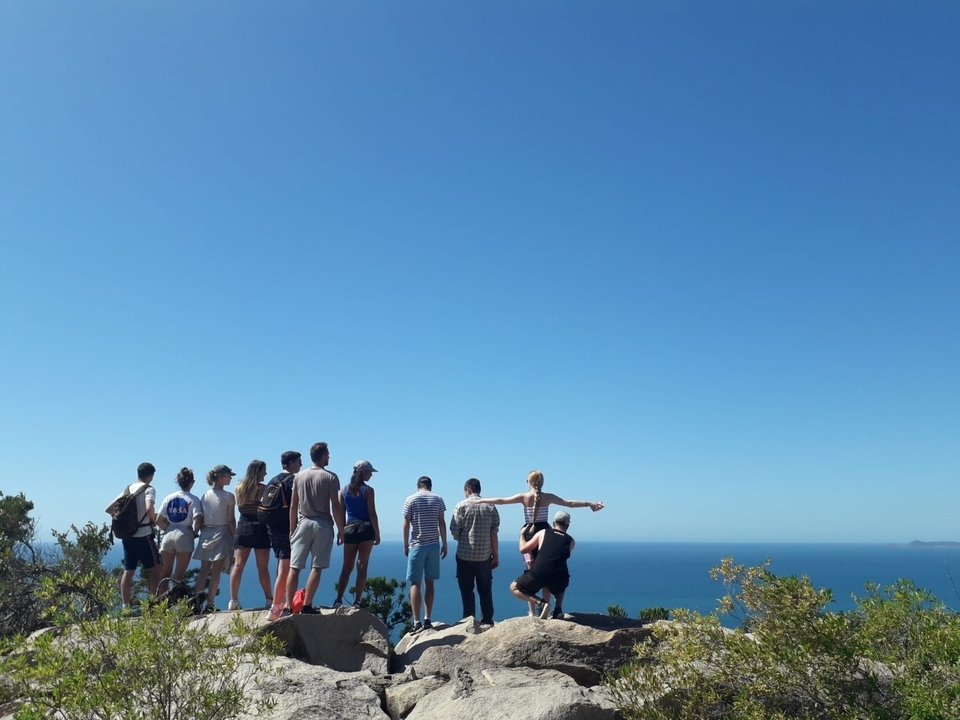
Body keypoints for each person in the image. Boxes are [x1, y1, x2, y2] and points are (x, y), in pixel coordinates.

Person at [476, 469, 602, 616]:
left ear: (528, 482)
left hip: (529, 534)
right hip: (545, 534)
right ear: (542, 483)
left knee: (531, 572)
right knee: (545, 570)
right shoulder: (548, 497)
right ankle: (545, 609)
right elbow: (569, 503)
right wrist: (590, 503)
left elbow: (502, 501)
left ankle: (533, 611)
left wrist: (482, 500)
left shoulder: (524, 497)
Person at [285, 442, 344, 614]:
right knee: (316, 567)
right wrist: (341, 529)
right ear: (323, 455)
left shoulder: (299, 476)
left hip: (303, 522)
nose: (329, 457)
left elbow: (293, 505)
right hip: (322, 524)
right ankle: (307, 605)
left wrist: (292, 528)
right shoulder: (330, 477)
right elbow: (336, 506)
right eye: (328, 454)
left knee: (294, 567)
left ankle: (288, 606)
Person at [105, 462, 163, 609]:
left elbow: (109, 509)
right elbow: (149, 507)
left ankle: (125, 606)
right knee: (156, 570)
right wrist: (153, 520)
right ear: (150, 476)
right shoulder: (149, 489)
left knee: (129, 571)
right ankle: (153, 604)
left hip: (128, 536)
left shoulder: (128, 489)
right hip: (144, 535)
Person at [450, 478, 500, 628]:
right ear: (479, 489)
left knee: (467, 591)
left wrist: (461, 537)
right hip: (484, 557)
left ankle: (468, 621)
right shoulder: (490, 507)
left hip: (464, 556)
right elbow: (494, 533)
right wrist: (496, 555)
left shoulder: (461, 506)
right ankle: (487, 620)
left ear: (468, 489)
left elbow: (454, 530)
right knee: (485, 590)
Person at [401, 476, 447, 633]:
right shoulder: (438, 499)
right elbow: (441, 522)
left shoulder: (410, 499)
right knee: (430, 583)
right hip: (433, 545)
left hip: (417, 546)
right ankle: (428, 618)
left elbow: (406, 524)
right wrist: (444, 544)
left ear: (418, 486)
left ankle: (416, 622)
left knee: (415, 583)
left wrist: (405, 544)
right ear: (430, 486)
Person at [333, 460, 381, 608]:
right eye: (369, 472)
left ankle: (338, 599)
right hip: (366, 528)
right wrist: (377, 533)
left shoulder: (343, 491)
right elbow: (372, 514)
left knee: (347, 566)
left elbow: (341, 513)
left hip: (350, 528)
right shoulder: (368, 491)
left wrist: (341, 531)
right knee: (362, 566)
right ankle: (357, 601)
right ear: (362, 472)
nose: (371, 475)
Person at [510, 510, 575, 620]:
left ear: (553, 522)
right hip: (559, 578)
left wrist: (521, 535)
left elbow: (523, 549)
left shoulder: (543, 533)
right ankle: (558, 608)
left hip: (539, 573)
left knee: (514, 588)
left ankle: (540, 603)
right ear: (568, 525)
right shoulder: (571, 541)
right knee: (561, 579)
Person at [228, 459, 273, 611]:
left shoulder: (239, 488)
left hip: (243, 527)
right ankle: (269, 599)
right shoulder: (263, 489)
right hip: (260, 527)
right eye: (264, 470)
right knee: (263, 567)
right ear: (258, 471)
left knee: (238, 565)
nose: (266, 473)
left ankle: (233, 600)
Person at [192, 464, 237, 613]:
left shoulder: (205, 495)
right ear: (221, 477)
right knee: (216, 572)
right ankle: (210, 604)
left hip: (206, 533)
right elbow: (231, 519)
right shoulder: (229, 496)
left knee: (204, 571)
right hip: (222, 532)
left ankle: (196, 603)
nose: (230, 479)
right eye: (228, 476)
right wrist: (235, 536)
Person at [265, 450, 303, 621]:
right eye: (299, 462)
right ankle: (276, 608)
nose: (301, 465)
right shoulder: (292, 480)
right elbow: (296, 505)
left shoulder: (273, 480)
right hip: (286, 528)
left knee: (281, 564)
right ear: (291, 463)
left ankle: (282, 601)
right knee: (285, 568)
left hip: (272, 528)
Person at [157, 467, 202, 593]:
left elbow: (158, 519)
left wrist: (167, 529)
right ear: (192, 482)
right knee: (179, 576)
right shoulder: (194, 499)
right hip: (184, 534)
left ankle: (159, 601)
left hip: (169, 534)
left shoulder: (169, 497)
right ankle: (175, 601)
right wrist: (195, 532)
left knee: (165, 573)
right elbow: (198, 519)